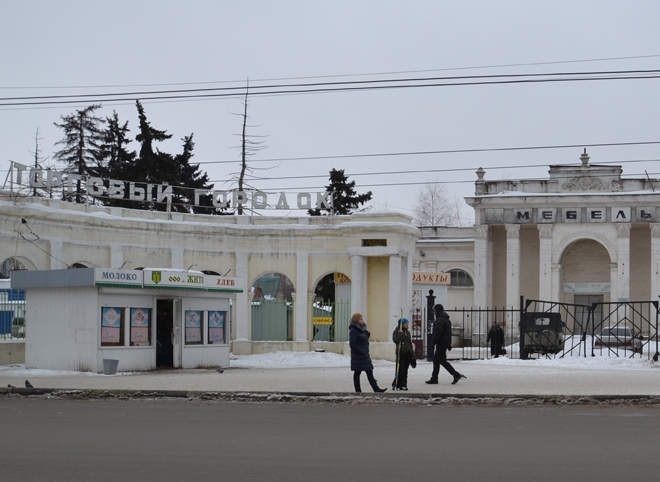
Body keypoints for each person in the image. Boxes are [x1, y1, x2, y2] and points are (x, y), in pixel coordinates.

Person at [426, 304, 466, 385]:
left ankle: (456, 374)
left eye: (434, 311)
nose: (433, 312)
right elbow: (448, 333)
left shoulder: (439, 320)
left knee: (442, 361)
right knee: (436, 361)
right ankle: (434, 378)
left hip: (441, 343)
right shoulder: (446, 319)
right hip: (444, 343)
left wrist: (433, 342)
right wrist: (449, 343)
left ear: (437, 310)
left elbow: (437, 333)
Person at [349, 313, 387, 393]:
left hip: (364, 354)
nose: (362, 321)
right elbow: (352, 344)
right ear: (356, 320)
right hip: (359, 355)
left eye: (362, 319)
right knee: (357, 372)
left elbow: (363, 339)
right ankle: (358, 390)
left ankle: (376, 389)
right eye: (360, 319)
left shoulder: (361, 330)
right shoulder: (354, 331)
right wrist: (361, 352)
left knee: (369, 371)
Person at [392, 318, 416, 390]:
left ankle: (403, 384)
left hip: (407, 353)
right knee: (400, 369)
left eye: (407, 323)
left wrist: (412, 354)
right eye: (405, 323)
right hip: (401, 353)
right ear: (402, 324)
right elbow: (396, 340)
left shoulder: (407, 332)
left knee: (405, 370)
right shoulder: (397, 331)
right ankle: (396, 383)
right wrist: (401, 333)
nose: (407, 325)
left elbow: (409, 343)